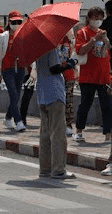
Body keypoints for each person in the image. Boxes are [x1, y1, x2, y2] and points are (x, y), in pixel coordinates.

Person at [36, 47, 77, 179]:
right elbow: (54, 69)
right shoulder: (51, 49)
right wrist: (69, 65)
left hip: (42, 93)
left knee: (45, 134)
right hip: (54, 93)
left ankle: (45, 169)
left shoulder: (37, 49)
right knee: (58, 133)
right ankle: (58, 169)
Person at [73, 6, 112, 142]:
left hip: (103, 75)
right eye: (96, 19)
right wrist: (94, 39)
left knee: (107, 106)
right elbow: (81, 50)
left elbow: (108, 52)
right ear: (89, 18)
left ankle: (108, 133)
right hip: (88, 76)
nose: (98, 21)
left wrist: (106, 40)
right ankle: (78, 130)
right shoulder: (82, 33)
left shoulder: (103, 32)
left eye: (101, 19)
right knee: (85, 104)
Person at [0, 10, 27, 132]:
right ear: (9, 22)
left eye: (19, 21)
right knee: (13, 94)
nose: (17, 24)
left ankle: (8, 117)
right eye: (14, 22)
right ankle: (18, 121)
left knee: (17, 95)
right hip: (7, 69)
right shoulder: (3, 36)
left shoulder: (23, 36)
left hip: (20, 68)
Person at [58, 30, 78, 136]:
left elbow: (75, 56)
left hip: (69, 74)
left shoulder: (71, 41)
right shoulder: (55, 40)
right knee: (58, 101)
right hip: (57, 75)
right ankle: (58, 124)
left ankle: (69, 124)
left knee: (69, 100)